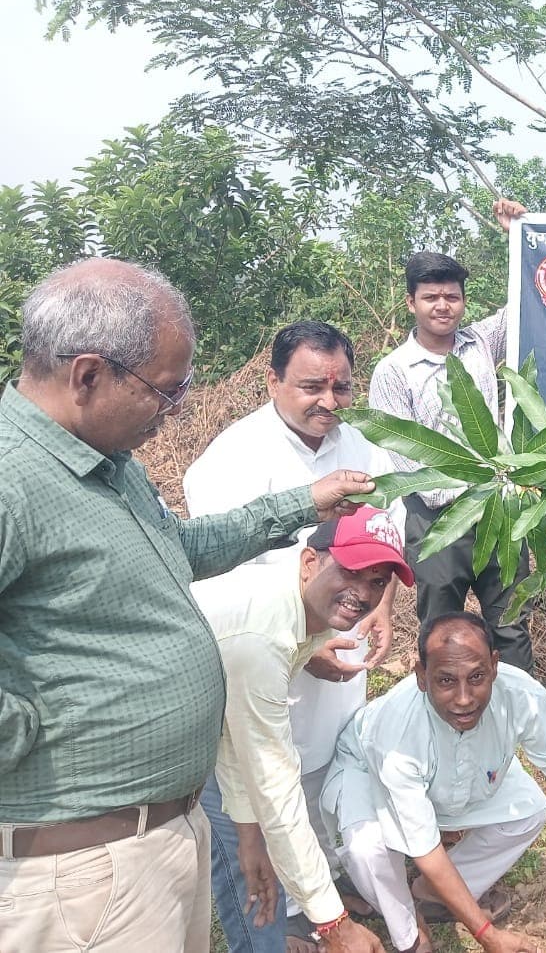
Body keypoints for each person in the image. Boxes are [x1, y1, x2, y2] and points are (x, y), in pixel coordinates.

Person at [0, 258, 375, 953]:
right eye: (165, 391)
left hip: (154, 833)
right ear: (87, 375)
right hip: (79, 860)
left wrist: (301, 503)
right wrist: (34, 728)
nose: (176, 410)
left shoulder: (106, 462)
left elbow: (180, 547)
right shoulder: (12, 476)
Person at [184, 321, 403, 950]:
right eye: (311, 386)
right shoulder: (231, 460)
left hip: (333, 641)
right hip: (270, 657)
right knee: (265, 782)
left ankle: (318, 896)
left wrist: (381, 607)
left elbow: (387, 539)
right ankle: (290, 916)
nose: (328, 403)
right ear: (273, 379)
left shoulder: (363, 448)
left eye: (341, 387)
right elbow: (226, 580)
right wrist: (306, 650)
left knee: (324, 770)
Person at [320, 612, 546, 953]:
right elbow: (425, 849)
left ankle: (433, 894)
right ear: (422, 676)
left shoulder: (518, 692)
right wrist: (487, 935)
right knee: (368, 850)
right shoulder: (399, 730)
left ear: (494, 666)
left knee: (529, 811)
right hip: (368, 770)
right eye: (446, 681)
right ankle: (409, 930)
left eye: (477, 677)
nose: (464, 698)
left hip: (449, 781)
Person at [194, 505, 416, 953]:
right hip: (137, 755)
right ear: (310, 561)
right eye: (351, 571)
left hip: (209, 736)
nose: (363, 593)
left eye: (377, 581)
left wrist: (249, 832)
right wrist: (335, 924)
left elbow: (233, 732)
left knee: (253, 855)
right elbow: (274, 784)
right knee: (249, 885)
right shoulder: (261, 637)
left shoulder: (302, 610)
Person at [368, 199, 535, 674]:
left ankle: (519, 719)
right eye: (431, 297)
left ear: (463, 300)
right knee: (441, 627)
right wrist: (461, 492)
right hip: (436, 519)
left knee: (511, 624)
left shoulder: (481, 343)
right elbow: (400, 452)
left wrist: (517, 238)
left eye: (452, 296)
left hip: (500, 514)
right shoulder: (394, 371)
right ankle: (443, 719)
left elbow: (526, 303)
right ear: (411, 303)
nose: (443, 305)